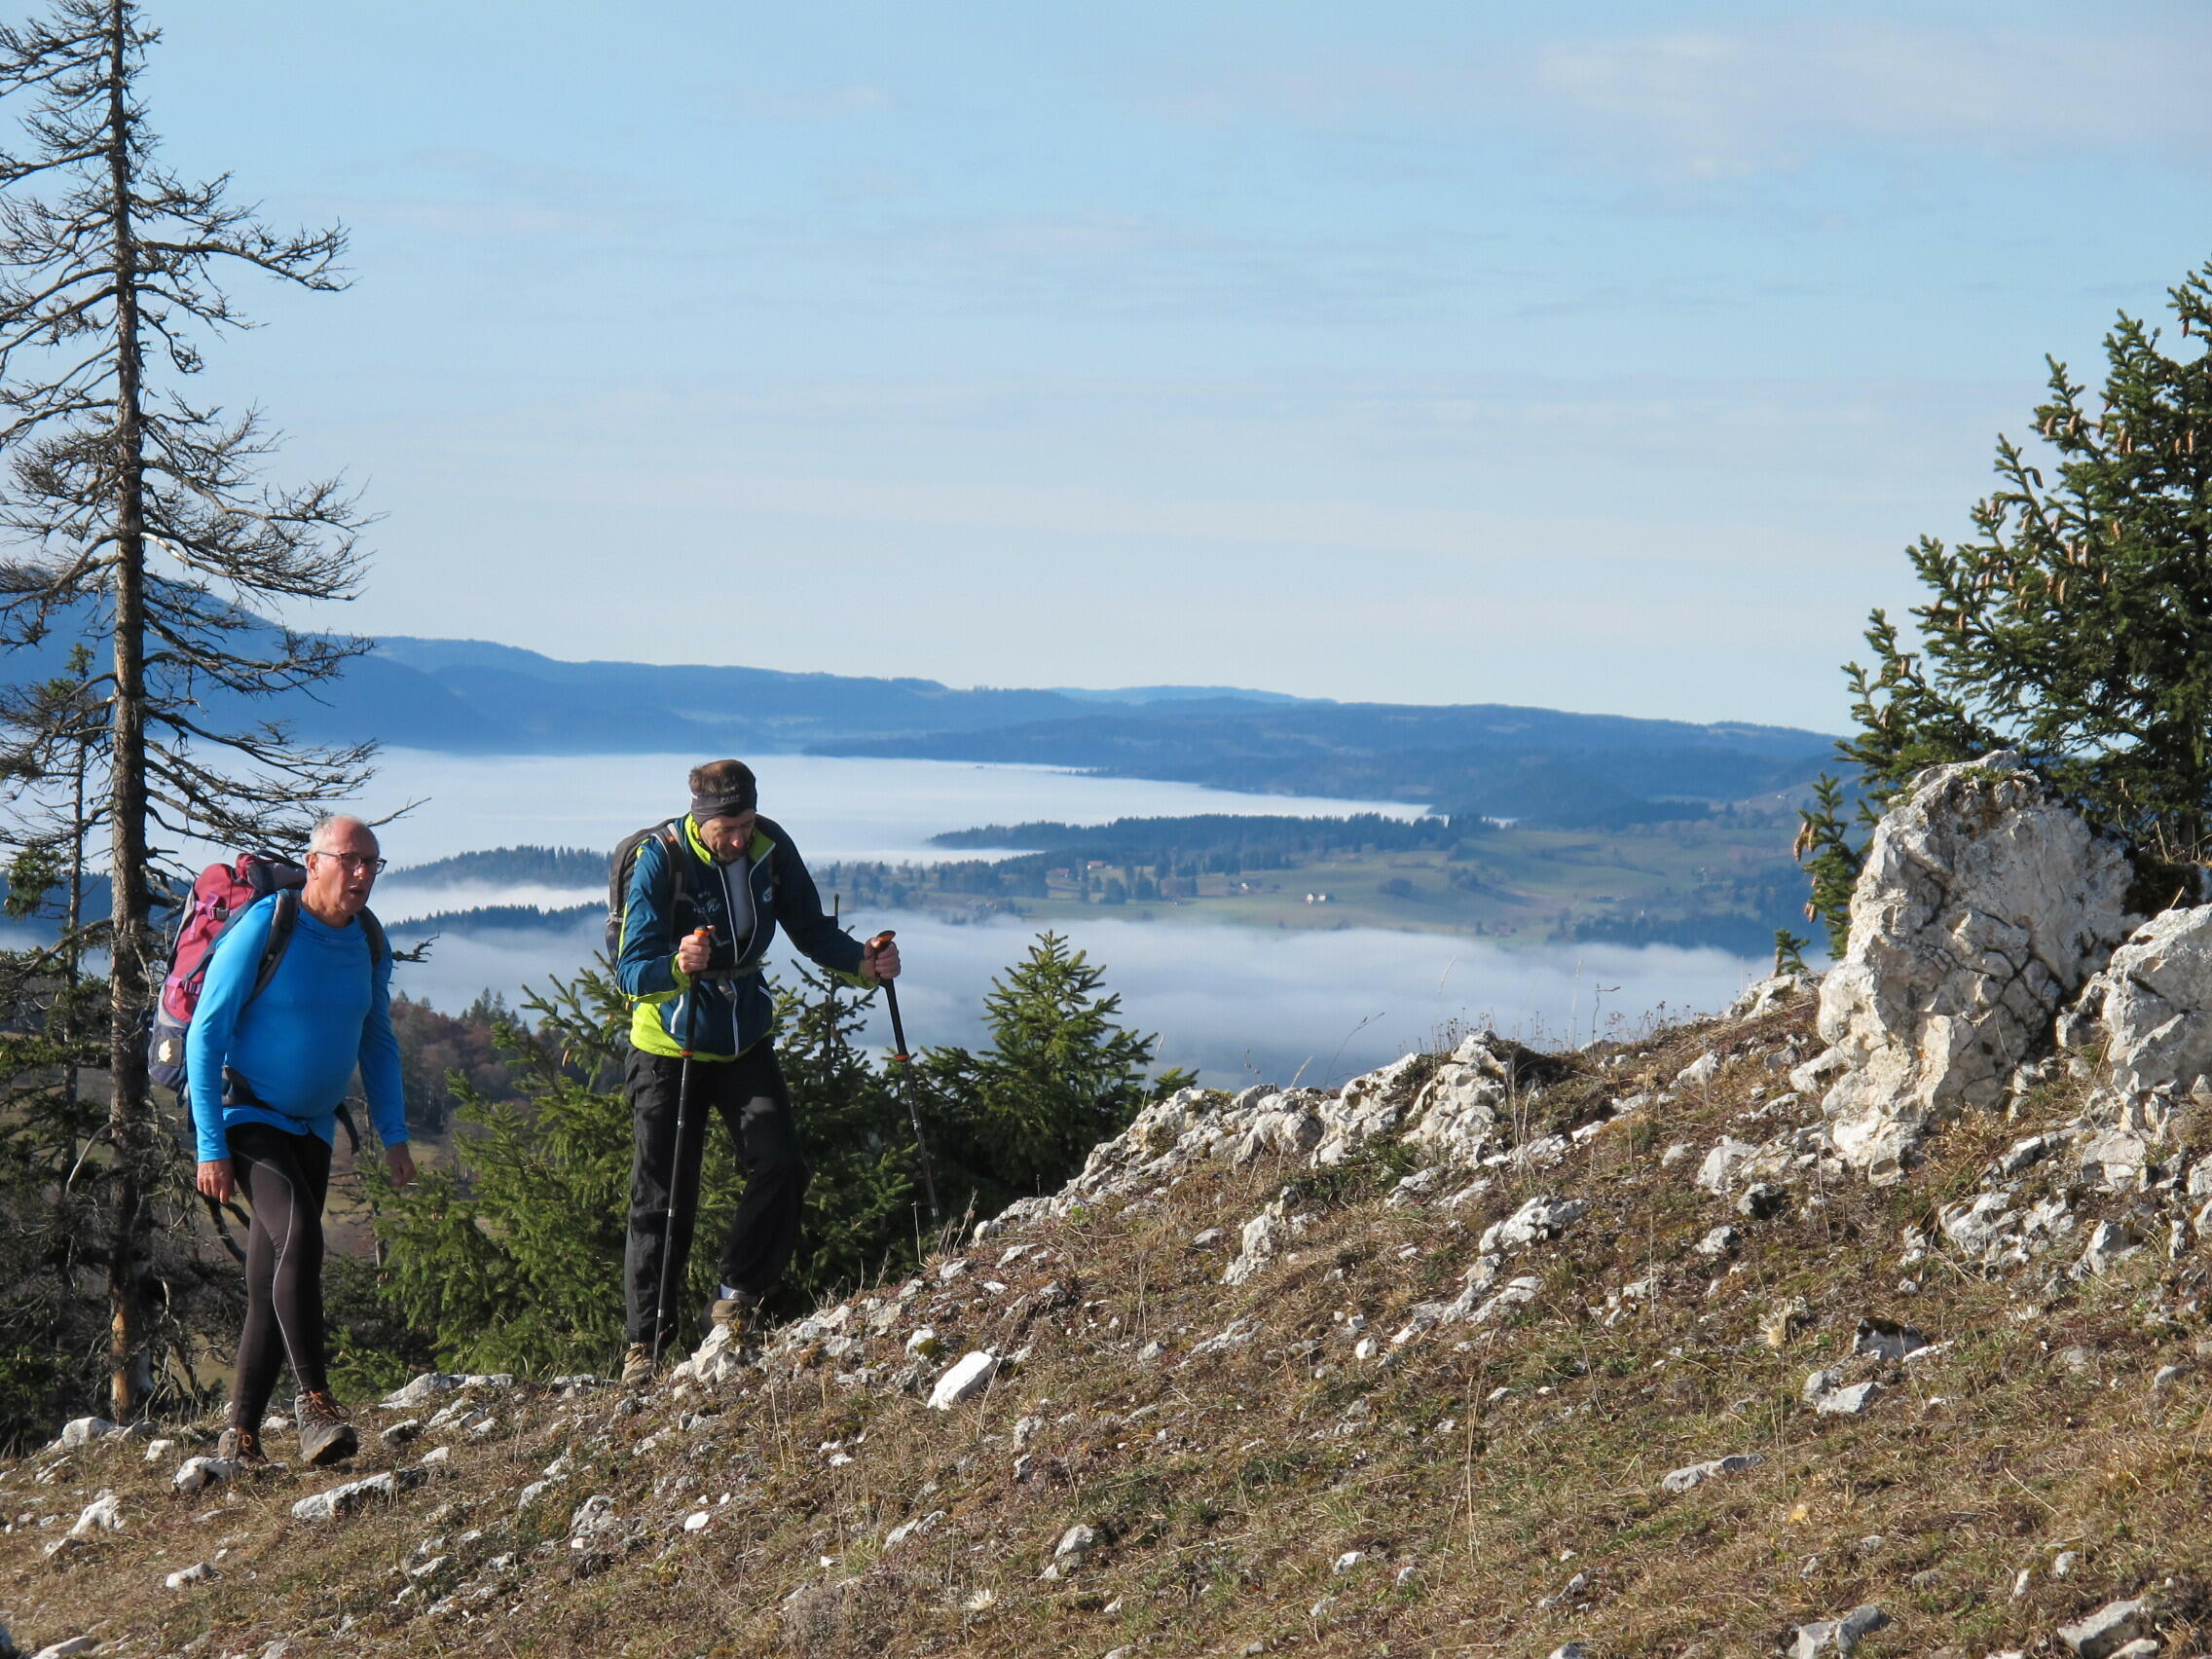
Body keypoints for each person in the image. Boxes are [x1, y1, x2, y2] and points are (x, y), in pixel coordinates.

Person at [614, 758, 900, 1385]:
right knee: (664, 1197)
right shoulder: (661, 859)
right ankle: (644, 1349)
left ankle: (735, 1298)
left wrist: (864, 963)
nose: (739, 838)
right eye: (727, 829)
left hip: (744, 1039)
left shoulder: (771, 846)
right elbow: (629, 971)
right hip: (668, 1047)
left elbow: (810, 929)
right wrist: (676, 964)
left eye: (745, 823)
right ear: (700, 820)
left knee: (782, 1163)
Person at [190, 814, 414, 1466]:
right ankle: (315, 1406)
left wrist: (395, 1135)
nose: (362, 874)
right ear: (313, 863)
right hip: (248, 1117)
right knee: (301, 1237)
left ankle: (240, 1439)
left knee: (270, 1277)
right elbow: (205, 1034)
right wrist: (210, 1145)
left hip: (314, 1125)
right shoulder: (268, 927)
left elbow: (377, 1040)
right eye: (350, 860)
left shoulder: (368, 940)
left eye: (372, 863)